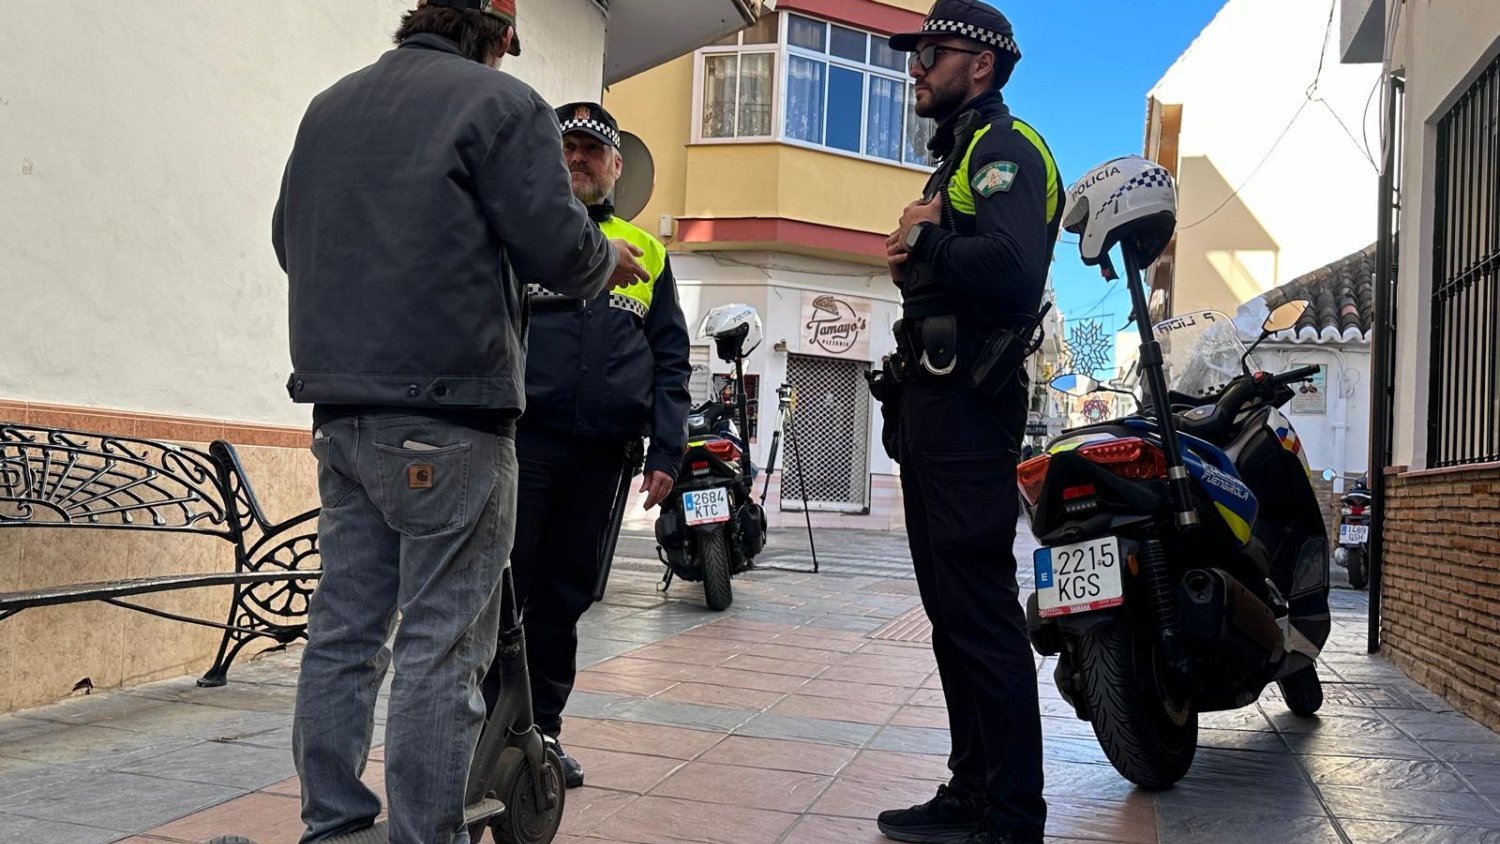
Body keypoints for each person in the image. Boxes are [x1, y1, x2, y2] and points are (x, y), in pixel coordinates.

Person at [272, 1, 650, 840]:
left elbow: (287, 239)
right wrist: (603, 259)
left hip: (342, 415)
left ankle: (333, 825)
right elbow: (559, 248)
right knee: (442, 649)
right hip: (453, 419)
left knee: (343, 633)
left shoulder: (330, 104)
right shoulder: (498, 104)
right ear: (496, 35)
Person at [878, 1, 1064, 842]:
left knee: (980, 610)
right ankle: (971, 791)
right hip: (930, 406)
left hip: (967, 409)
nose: (918, 68)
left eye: (933, 54)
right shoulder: (955, 159)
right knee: (950, 611)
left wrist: (926, 243)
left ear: (981, 64)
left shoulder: (1003, 148)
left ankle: (1014, 814)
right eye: (916, 56)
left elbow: (1016, 273)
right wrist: (921, 251)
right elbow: (958, 264)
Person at [482, 102, 692, 789]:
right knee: (505, 589)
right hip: (523, 444)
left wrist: (666, 452)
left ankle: (541, 733)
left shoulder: (648, 249)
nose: (579, 160)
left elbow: (669, 357)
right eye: (567, 148)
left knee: (565, 596)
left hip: (603, 455)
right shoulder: (524, 236)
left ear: (616, 167)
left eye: (592, 152)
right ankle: (488, 730)